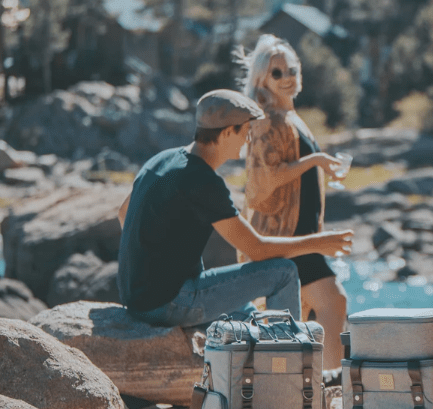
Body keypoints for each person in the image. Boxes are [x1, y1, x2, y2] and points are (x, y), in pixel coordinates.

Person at [116, 88, 353, 328]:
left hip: (135, 298)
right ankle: (285, 360)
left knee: (250, 316)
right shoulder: (203, 181)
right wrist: (318, 244)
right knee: (284, 272)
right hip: (169, 303)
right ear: (228, 132)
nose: (248, 141)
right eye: (246, 133)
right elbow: (258, 249)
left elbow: (124, 213)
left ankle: (265, 351)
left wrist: (155, 264)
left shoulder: (162, 160)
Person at [237, 34, 349, 368]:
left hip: (302, 234)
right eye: (277, 73)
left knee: (297, 319)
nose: (287, 77)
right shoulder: (269, 121)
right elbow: (262, 182)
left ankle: (304, 387)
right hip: (285, 237)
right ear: (261, 79)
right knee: (333, 301)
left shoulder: (291, 118)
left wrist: (320, 165)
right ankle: (331, 382)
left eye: (292, 69)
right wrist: (316, 161)